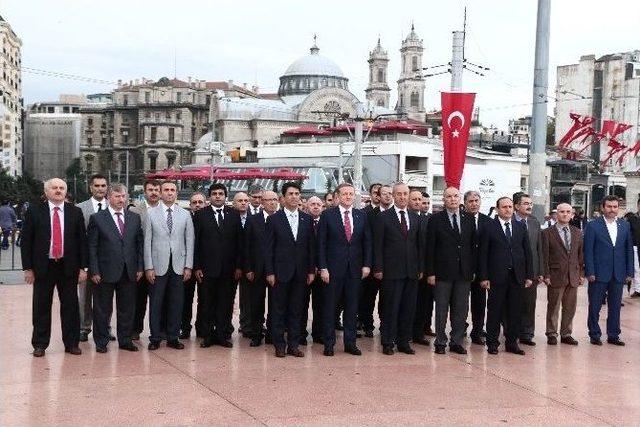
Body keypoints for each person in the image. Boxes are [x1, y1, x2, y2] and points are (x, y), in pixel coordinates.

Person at [21, 178, 87, 357]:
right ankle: (40, 344)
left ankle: (72, 343)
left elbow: (82, 242)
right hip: (43, 267)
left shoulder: (75, 212)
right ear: (46, 191)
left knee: (70, 306)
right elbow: (26, 241)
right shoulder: (34, 212)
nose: (58, 191)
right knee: (41, 306)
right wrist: (28, 268)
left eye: (61, 188)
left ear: (66, 191)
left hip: (68, 267)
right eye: (54, 188)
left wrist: (83, 268)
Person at [87, 183, 144, 353]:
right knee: (102, 309)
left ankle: (125, 340)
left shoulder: (134, 218)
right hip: (104, 272)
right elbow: (92, 247)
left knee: (127, 308)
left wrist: (140, 267)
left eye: (123, 196)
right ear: (109, 197)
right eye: (117, 196)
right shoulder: (97, 218)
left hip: (129, 270)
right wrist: (94, 270)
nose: (121, 199)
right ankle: (101, 341)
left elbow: (139, 245)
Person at [318, 184, 371, 356]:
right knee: (330, 307)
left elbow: (367, 242)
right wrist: (323, 267)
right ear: (338, 196)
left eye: (351, 194)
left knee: (352, 307)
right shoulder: (327, 215)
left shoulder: (361, 215)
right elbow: (321, 244)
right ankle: (329, 343)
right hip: (332, 270)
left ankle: (350, 343)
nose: (348, 197)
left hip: (355, 269)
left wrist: (367, 265)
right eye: (345, 194)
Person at [265, 182, 315, 358]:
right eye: (291, 194)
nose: (294, 197)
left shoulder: (306, 219)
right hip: (280, 272)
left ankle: (293, 344)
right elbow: (268, 248)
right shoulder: (273, 219)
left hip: (301, 273)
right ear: (283, 198)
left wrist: (311, 271)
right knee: (278, 310)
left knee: (297, 310)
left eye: (297, 193)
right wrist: (270, 272)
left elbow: (311, 248)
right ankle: (279, 344)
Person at [479, 197, 533, 355]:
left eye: (510, 206)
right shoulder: (488, 227)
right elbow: (483, 254)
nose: (508, 209)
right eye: (504, 207)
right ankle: (492, 343)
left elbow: (527, 252)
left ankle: (512, 343)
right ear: (497, 209)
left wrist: (529, 275)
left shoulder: (520, 226)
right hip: (496, 276)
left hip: (517, 276)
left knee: (515, 311)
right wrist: (484, 277)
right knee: (495, 311)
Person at [144, 181, 194, 350]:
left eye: (173, 190)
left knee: (176, 302)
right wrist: (148, 267)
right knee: (156, 303)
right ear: (161, 193)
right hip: (157, 266)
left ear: (176, 193)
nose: (169, 193)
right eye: (166, 190)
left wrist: (188, 266)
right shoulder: (151, 214)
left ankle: (173, 337)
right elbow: (147, 242)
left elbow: (189, 241)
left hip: (179, 266)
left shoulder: (185, 214)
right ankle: (155, 337)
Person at [426, 187, 476, 355]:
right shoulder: (435, 219)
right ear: (444, 199)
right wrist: (431, 273)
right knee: (441, 309)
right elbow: (430, 248)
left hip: (464, 273)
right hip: (442, 272)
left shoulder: (469, 219)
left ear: (460, 198)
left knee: (461, 309)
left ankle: (456, 341)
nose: (453, 199)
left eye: (456, 196)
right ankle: (440, 341)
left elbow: (472, 246)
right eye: (449, 196)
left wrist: (473, 269)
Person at [373, 183, 422, 355]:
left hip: (411, 271)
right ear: (393, 195)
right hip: (390, 271)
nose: (402, 197)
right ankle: (387, 341)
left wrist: (420, 267)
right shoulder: (383, 217)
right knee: (390, 308)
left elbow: (418, 245)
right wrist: (378, 267)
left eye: (405, 194)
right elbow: (377, 245)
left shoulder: (415, 217)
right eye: (399, 194)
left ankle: (403, 342)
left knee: (408, 308)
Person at [194, 184, 243, 348]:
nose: (217, 196)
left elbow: (239, 243)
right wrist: (197, 266)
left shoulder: (234, 215)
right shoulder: (200, 215)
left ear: (225, 196)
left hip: (229, 270)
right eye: (214, 194)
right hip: (207, 268)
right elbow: (196, 243)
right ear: (209, 197)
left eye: (220, 194)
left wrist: (238, 266)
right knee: (207, 303)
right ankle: (207, 335)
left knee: (226, 303)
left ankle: (222, 335)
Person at [584, 195, 633, 346]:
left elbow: (628, 249)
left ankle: (613, 335)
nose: (612, 210)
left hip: (618, 272)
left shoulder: (624, 225)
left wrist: (629, 272)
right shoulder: (593, 226)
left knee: (615, 306)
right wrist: (590, 271)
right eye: (609, 207)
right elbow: (588, 250)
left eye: (615, 207)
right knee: (595, 305)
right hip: (598, 273)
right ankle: (594, 334)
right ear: (603, 208)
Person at [541, 203, 584, 345]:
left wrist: (581, 273)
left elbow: (580, 255)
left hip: (573, 275)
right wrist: (546, 274)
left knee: (570, 307)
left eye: (568, 212)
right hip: (555, 275)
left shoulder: (577, 232)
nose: (565, 214)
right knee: (553, 306)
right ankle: (552, 333)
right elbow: (544, 255)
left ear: (572, 215)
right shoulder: (547, 233)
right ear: (556, 214)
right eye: (562, 212)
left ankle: (566, 333)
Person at [76, 174, 109, 342]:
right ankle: (84, 327)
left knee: (106, 298)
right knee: (85, 296)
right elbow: (77, 237)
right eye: (97, 185)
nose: (100, 188)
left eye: (103, 185)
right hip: (87, 261)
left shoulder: (114, 206)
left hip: (109, 262)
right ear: (91, 187)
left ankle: (105, 327)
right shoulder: (80, 208)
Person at [244, 191, 279, 347]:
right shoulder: (253, 220)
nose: (271, 202)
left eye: (274, 199)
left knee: (276, 303)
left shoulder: (281, 219)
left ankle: (272, 334)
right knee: (256, 303)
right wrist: (249, 268)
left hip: (277, 269)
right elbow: (246, 246)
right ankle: (256, 334)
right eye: (268, 200)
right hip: (257, 269)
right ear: (262, 202)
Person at [359, 184, 393, 337]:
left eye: (390, 194)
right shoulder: (369, 214)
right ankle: (367, 324)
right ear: (378, 196)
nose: (387, 196)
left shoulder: (396, 214)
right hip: (373, 264)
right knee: (368, 297)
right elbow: (367, 240)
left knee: (387, 299)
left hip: (392, 265)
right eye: (384, 194)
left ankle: (386, 325)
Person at [130, 180, 161, 340]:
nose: (154, 192)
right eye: (150, 189)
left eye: (156, 189)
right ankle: (135, 329)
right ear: (145, 191)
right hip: (140, 262)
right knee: (138, 299)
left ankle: (160, 330)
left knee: (159, 299)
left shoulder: (166, 210)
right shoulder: (134, 211)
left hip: (161, 262)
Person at [513, 192, 544, 346]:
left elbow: (539, 249)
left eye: (530, 203)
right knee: (512, 302)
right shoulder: (508, 221)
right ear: (516, 206)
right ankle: (511, 331)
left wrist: (540, 271)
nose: (529, 206)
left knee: (529, 303)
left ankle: (527, 333)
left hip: (532, 271)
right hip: (512, 270)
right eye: (525, 203)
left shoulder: (534, 222)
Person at [463, 190, 491, 345]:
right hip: (463, 269)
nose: (474, 204)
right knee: (460, 303)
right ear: (465, 203)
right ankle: (460, 328)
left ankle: (478, 331)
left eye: (476, 200)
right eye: (470, 201)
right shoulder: (460, 219)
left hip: (481, 270)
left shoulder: (488, 221)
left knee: (480, 303)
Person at [180, 192, 207, 339]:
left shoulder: (210, 218)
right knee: (185, 299)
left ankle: (202, 329)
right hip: (187, 266)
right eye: (194, 202)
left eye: (200, 202)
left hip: (204, 267)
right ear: (190, 205)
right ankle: (184, 328)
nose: (197, 205)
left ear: (205, 203)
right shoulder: (184, 218)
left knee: (204, 300)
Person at [300, 195, 325, 346]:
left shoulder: (326, 222)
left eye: (318, 204)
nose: (316, 207)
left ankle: (318, 333)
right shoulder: (302, 222)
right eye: (312, 204)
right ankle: (300, 333)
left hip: (322, 271)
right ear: (306, 206)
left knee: (320, 304)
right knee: (301, 304)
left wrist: (321, 266)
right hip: (304, 270)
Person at [409, 189, 431, 345]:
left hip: (425, 269)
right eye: (415, 199)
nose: (418, 203)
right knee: (407, 302)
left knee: (423, 303)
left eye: (420, 200)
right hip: (407, 268)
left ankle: (418, 333)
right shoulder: (404, 218)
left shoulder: (428, 220)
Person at [233, 191, 251, 337]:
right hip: (230, 264)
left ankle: (247, 325)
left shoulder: (253, 218)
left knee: (247, 297)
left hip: (248, 264)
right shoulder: (228, 217)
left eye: (246, 200)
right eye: (240, 200)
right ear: (234, 203)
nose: (243, 203)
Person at [623, 199, 640, 298]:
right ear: (638, 205)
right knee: (636, 269)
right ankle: (638, 290)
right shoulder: (632, 218)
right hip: (635, 247)